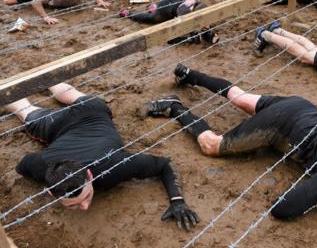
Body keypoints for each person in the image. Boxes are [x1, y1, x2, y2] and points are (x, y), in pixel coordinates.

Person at [143, 64, 317, 220]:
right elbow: (283, 209)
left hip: (303, 108)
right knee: (213, 146)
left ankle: (192, 75)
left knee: (240, 99)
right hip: (281, 127)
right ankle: (174, 107)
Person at [5, 83, 199, 231]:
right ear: (49, 192)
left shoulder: (113, 167)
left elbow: (164, 164)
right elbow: (22, 166)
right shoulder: (41, 167)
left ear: (90, 175)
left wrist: (178, 201)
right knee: (27, 110)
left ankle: (44, 80)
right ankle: (42, 81)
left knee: (29, 113)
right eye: (73, 205)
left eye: (85, 197)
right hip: (69, 121)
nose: (84, 206)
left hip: (93, 113)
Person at [119, 0, 219, 44]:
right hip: (168, 5)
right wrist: (191, 38)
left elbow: (205, 25)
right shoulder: (185, 12)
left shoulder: (202, 7)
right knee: (152, 19)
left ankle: (155, 6)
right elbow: (171, 38)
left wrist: (209, 32)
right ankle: (129, 13)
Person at [3, 0, 111, 25]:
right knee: (7, 0)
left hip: (56, 2)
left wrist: (99, 0)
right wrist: (46, 17)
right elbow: (35, 2)